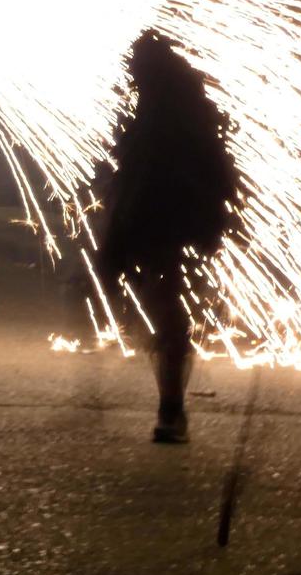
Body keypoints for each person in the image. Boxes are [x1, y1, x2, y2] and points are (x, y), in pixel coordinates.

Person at [93, 31, 240, 443]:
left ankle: (171, 408)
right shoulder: (162, 107)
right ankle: (171, 405)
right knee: (166, 312)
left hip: (172, 223)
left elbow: (202, 171)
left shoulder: (174, 113)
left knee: (169, 313)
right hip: (167, 223)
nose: (131, 74)